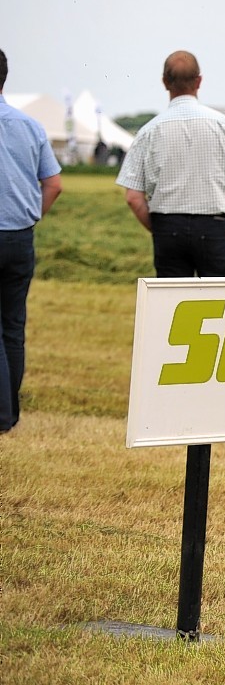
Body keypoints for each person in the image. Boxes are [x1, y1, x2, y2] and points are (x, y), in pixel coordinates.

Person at [116, 51, 225, 277]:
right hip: (216, 225)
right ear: (199, 81)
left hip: (167, 226)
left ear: (164, 82)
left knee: (171, 306)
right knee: (222, 303)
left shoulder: (148, 131)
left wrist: (160, 229)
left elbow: (133, 197)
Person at [0, 49, 64, 434]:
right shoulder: (31, 126)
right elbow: (53, 184)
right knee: (12, 325)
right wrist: (30, 215)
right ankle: (11, 411)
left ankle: (3, 415)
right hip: (20, 238)